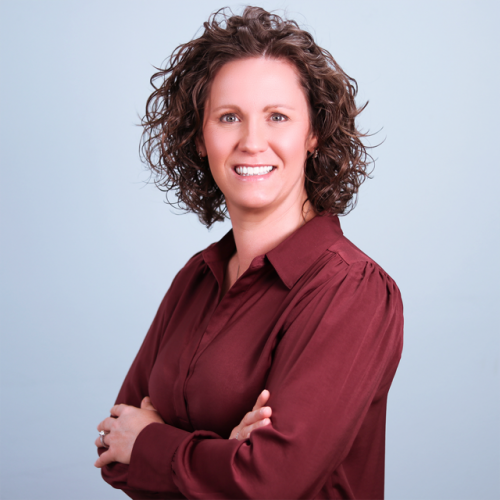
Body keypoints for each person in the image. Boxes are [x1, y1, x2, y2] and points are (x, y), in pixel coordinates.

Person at [94, 6, 403, 499]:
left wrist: (154, 442)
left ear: (313, 133)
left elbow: (271, 483)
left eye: (277, 116)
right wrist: (223, 455)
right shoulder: (194, 279)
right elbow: (114, 450)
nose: (252, 142)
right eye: (229, 117)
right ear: (200, 137)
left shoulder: (351, 290)